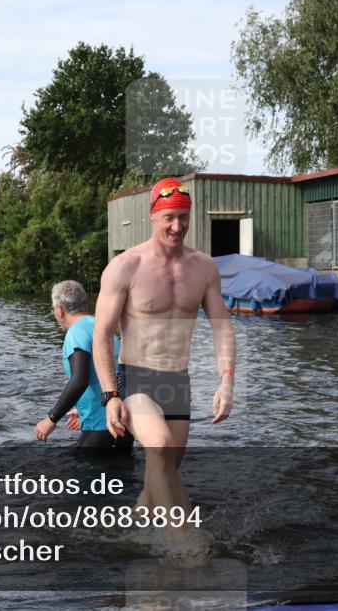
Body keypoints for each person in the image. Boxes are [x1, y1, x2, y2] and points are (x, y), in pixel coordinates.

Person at [93, 177, 235, 542]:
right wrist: (110, 396)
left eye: (183, 217)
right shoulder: (126, 266)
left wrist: (226, 380)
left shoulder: (203, 268)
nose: (177, 226)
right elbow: (102, 335)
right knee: (159, 450)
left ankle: (131, 530)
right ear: (153, 216)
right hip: (136, 378)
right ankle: (186, 546)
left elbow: (221, 326)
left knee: (166, 469)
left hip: (177, 381)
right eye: (169, 217)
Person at [34, 281, 133, 454]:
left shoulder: (76, 332)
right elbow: (110, 376)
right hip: (124, 425)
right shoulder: (103, 328)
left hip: (101, 427)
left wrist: (51, 418)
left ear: (60, 309)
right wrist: (82, 410)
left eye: (53, 308)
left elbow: (80, 379)